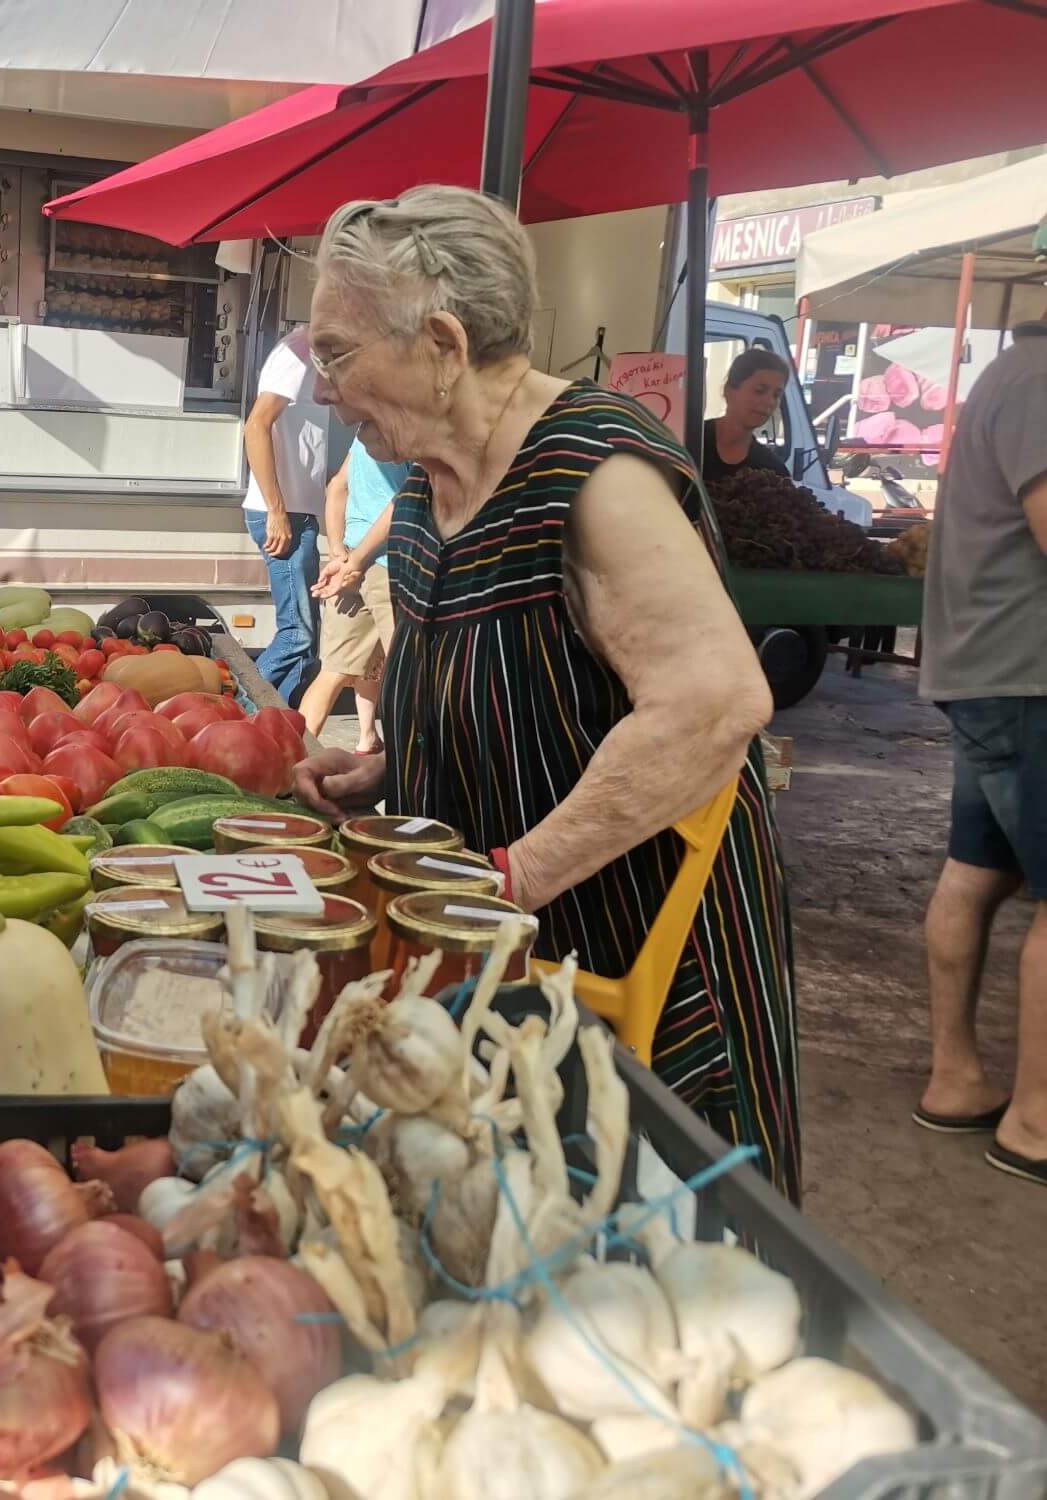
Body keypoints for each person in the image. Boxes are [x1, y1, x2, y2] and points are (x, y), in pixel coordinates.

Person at [291, 187, 800, 1197]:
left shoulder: (590, 469)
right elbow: (516, 684)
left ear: (440, 342)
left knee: (650, 1259)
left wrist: (510, 880)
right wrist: (391, 763)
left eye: (334, 354)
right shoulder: (430, 490)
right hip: (506, 954)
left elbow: (712, 703)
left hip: (628, 948)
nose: (318, 391)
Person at [912, 316, 1047, 1187]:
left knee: (978, 871)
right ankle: (1037, 1122)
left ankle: (958, 1079)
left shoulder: (1015, 373)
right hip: (1031, 675)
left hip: (993, 671)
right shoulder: (1041, 380)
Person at [242, 326, 331, 708]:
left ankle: (279, 728)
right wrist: (277, 510)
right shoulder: (298, 351)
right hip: (285, 515)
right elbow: (256, 426)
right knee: (297, 635)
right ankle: (237, 713)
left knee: (307, 648)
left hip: (298, 513)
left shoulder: (309, 350)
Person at [299, 443, 410, 749]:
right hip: (393, 565)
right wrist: (356, 560)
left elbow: (337, 486)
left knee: (332, 672)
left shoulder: (364, 435)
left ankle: (291, 760)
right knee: (407, 677)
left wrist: (339, 552)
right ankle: (406, 773)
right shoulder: (410, 429)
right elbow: (404, 502)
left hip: (352, 558)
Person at [702, 347, 791, 488]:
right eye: (760, 391)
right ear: (729, 390)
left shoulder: (773, 471)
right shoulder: (689, 442)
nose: (769, 401)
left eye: (776, 395)